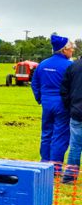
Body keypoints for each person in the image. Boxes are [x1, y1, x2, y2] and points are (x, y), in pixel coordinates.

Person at [32, 34, 74, 167]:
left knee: (46, 133)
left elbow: (35, 84)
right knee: (60, 135)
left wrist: (40, 98)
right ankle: (55, 167)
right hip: (62, 104)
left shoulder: (43, 64)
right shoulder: (69, 65)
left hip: (46, 102)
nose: (72, 51)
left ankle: (44, 163)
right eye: (71, 48)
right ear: (64, 49)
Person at [61, 46, 82, 184]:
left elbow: (64, 90)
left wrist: (71, 106)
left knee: (75, 145)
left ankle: (69, 176)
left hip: (77, 111)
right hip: (76, 110)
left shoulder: (73, 67)